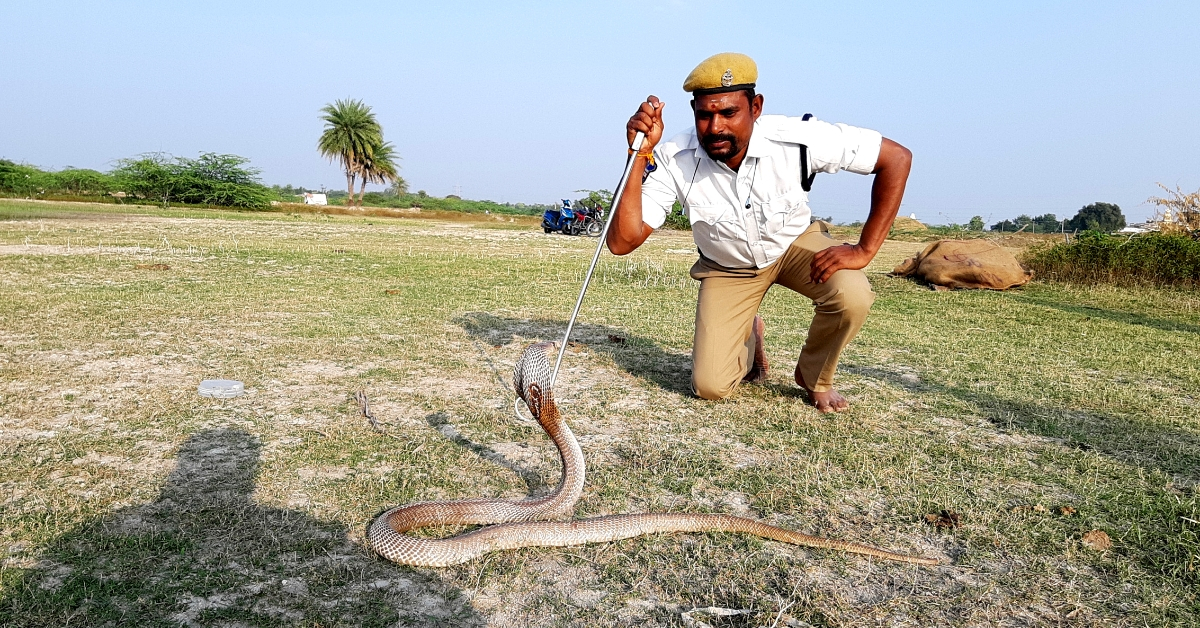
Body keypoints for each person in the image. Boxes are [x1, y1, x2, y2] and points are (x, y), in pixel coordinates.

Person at [607, 53, 912, 412]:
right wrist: (638, 154)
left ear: (755, 107)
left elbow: (896, 158)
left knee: (852, 293)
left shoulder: (798, 137)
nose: (715, 127)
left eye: (728, 113)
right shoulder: (675, 157)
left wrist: (865, 249)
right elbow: (621, 242)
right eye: (705, 115)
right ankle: (749, 338)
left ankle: (815, 377)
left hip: (794, 245)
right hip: (727, 266)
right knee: (710, 387)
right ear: (693, 112)